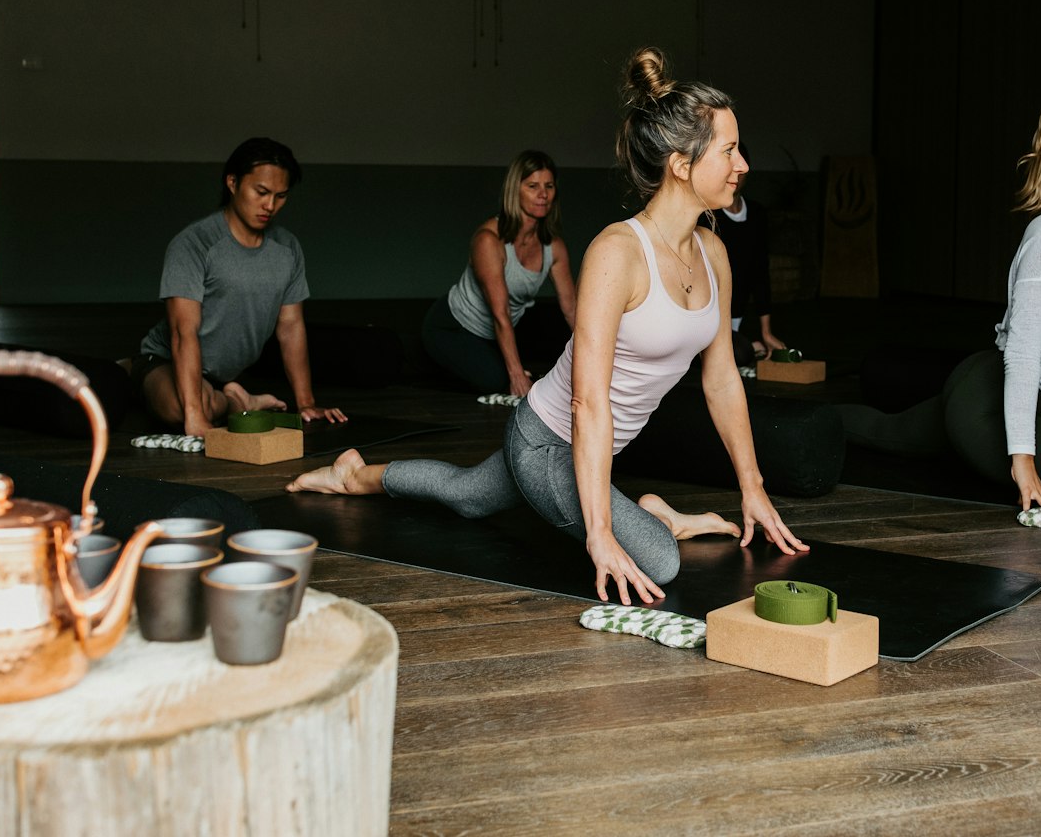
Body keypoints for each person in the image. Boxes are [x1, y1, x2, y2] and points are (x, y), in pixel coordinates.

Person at [289, 47, 806, 604]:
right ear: (682, 164)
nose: (743, 164)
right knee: (659, 560)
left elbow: (722, 378)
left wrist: (752, 487)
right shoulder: (617, 252)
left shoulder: (712, 252)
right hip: (546, 439)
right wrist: (601, 532)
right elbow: (588, 401)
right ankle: (655, 522)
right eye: (729, 151)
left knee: (468, 494)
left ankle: (353, 474)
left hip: (588, 449)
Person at [839, 102, 1041, 512]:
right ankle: (807, 422)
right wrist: (1023, 464)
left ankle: (968, 449)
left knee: (897, 431)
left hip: (1030, 406)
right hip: (983, 399)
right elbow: (1024, 353)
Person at [133, 138, 346, 436]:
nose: (270, 205)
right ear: (232, 183)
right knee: (179, 410)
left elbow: (290, 326)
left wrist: (306, 403)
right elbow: (183, 332)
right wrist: (195, 417)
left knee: (204, 402)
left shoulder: (287, 247)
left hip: (223, 374)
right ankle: (236, 400)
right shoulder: (194, 243)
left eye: (280, 196)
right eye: (261, 192)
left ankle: (230, 396)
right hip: (165, 360)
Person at [421, 150, 577, 397]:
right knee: (495, 381)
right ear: (515, 190)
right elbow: (500, 312)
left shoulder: (554, 247)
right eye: (532, 186)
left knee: (534, 370)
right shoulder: (489, 240)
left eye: (549, 186)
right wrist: (515, 376)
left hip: (493, 336)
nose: (543, 195)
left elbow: (571, 309)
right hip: (451, 327)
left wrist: (602, 359)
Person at [697, 143, 785, 367]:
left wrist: (766, 332)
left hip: (741, 316)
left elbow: (760, 272)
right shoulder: (706, 216)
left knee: (756, 352)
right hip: (711, 321)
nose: (737, 171)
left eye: (741, 166)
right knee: (740, 356)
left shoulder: (756, 213)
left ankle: (750, 343)